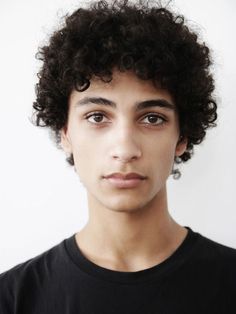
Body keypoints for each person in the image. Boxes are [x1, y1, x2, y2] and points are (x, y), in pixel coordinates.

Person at [0, 0, 235, 313]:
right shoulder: (13, 298)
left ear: (182, 136)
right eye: (97, 116)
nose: (124, 150)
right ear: (65, 133)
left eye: (152, 118)